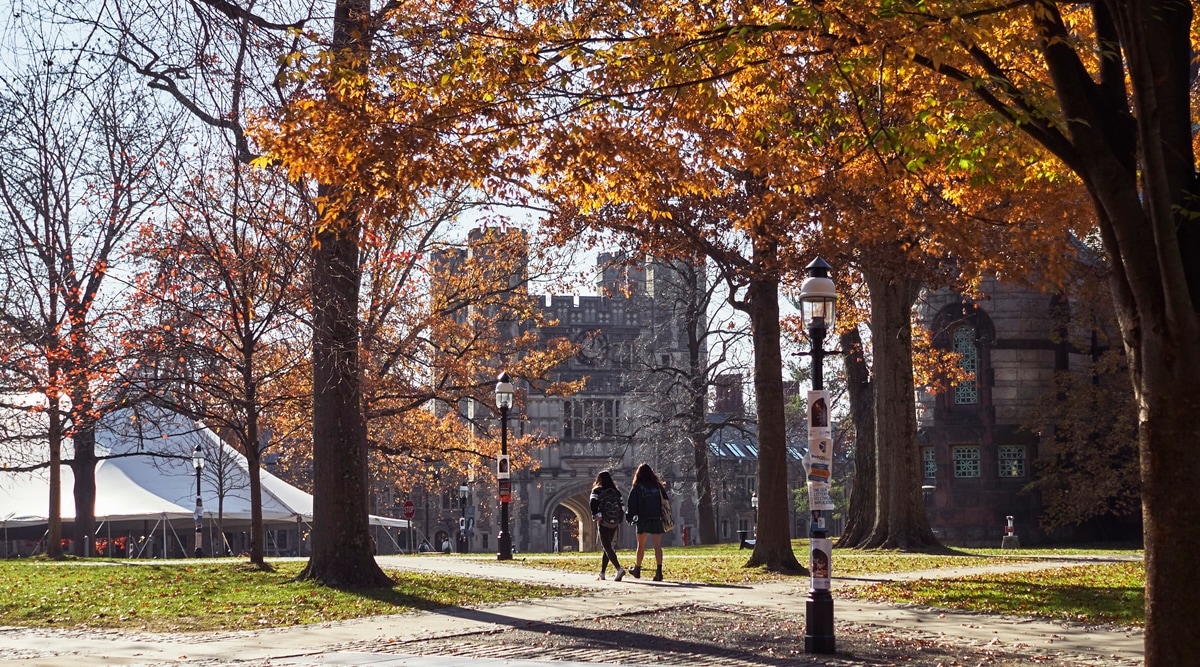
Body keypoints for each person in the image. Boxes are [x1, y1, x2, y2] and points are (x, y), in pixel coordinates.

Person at [625, 463, 668, 581]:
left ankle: (637, 569)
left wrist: (630, 517)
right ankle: (659, 571)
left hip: (643, 518)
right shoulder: (657, 486)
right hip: (656, 517)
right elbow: (665, 500)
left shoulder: (637, 487)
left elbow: (632, 504)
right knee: (657, 546)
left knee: (641, 545)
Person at [589, 471, 627, 581]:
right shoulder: (616, 491)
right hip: (614, 521)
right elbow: (622, 506)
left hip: (603, 520)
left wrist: (596, 515)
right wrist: (619, 518)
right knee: (608, 547)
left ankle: (619, 569)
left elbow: (592, 503)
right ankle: (602, 573)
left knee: (607, 547)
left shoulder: (597, 490)